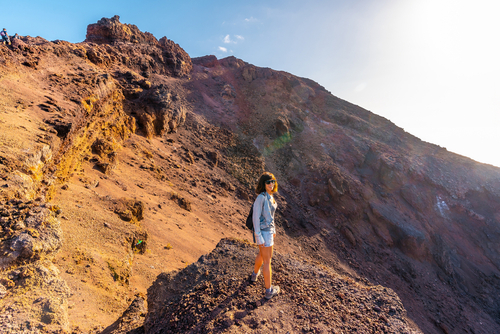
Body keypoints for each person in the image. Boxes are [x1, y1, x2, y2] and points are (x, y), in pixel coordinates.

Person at [250, 172, 280, 299]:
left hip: (268, 231)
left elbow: (270, 217)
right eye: (268, 182)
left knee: (261, 255)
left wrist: (273, 230)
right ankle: (269, 291)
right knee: (268, 261)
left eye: (272, 181)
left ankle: (254, 275)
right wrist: (258, 236)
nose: (271, 184)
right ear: (263, 184)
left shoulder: (270, 196)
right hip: (263, 232)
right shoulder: (261, 198)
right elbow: (255, 217)